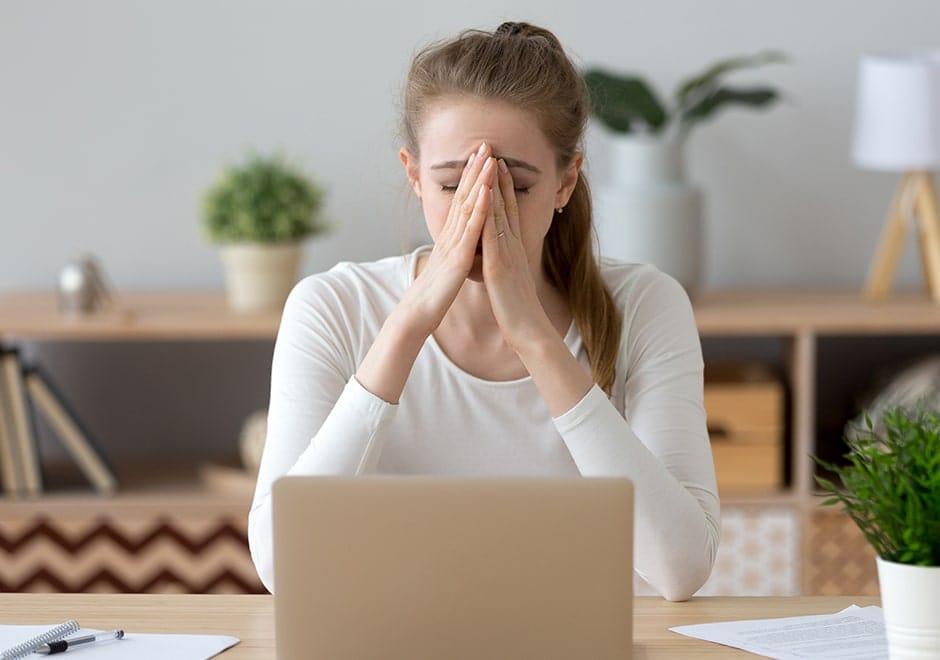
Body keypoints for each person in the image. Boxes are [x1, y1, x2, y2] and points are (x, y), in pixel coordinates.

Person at [248, 21, 719, 601]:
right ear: (414, 175)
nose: (483, 211)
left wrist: (534, 336)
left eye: (516, 188)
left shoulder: (647, 305)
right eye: (453, 186)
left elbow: (680, 569)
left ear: (566, 181)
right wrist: (410, 321)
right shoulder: (333, 308)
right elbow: (282, 564)